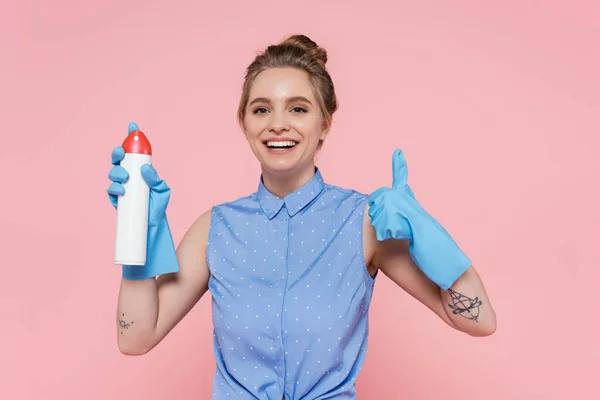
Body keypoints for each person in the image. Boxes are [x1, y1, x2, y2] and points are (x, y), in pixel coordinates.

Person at [107, 34, 496, 399]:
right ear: (244, 123)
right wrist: (139, 235)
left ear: (324, 124)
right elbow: (135, 338)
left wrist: (429, 235)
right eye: (262, 109)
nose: (278, 123)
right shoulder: (215, 229)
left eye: (298, 108)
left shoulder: (363, 223)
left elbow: (478, 320)